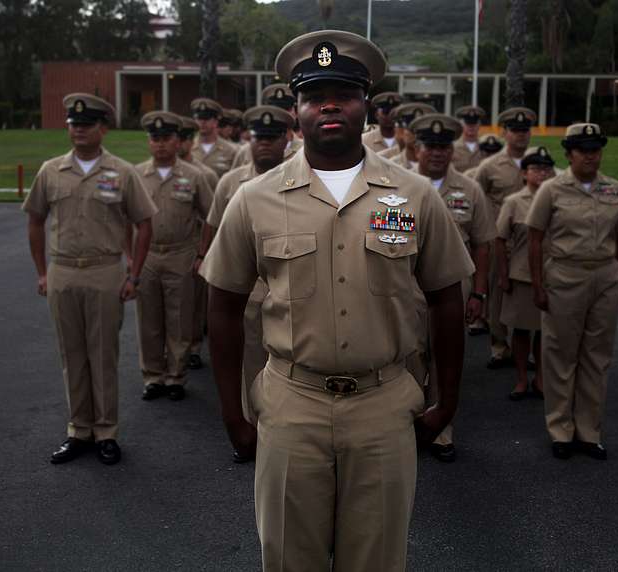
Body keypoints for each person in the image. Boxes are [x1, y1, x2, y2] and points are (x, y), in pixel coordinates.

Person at [200, 30, 471, 571]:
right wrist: (232, 411)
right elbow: (222, 305)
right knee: (288, 558)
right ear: (295, 110)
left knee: (376, 559)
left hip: (384, 404)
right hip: (291, 403)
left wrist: (447, 400)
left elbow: (446, 299)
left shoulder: (413, 194)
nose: (329, 105)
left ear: (364, 107)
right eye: (313, 95)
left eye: (343, 94)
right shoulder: (254, 199)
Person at [22, 93, 157, 465]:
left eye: (86, 125)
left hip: (104, 270)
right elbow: (34, 219)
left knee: (102, 356)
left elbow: (144, 223)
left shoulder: (122, 172)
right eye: (73, 125)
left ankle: (106, 432)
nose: (78, 130)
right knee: (72, 355)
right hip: (63, 270)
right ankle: (78, 430)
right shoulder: (51, 171)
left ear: (103, 128)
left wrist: (134, 273)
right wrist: (42, 272)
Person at [526, 123, 618, 461]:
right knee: (560, 356)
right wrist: (538, 286)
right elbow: (535, 239)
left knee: (597, 358)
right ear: (569, 153)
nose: (590, 155)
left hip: (605, 277)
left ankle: (589, 432)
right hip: (565, 277)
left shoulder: (615, 190)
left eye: (596, 148)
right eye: (583, 149)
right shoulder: (552, 189)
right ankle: (561, 430)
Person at [203, 105, 294, 463]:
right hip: (249, 287)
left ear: (287, 139)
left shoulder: (300, 180)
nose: (265, 145)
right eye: (259, 138)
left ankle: (290, 428)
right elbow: (212, 226)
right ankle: (252, 429)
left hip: (288, 284)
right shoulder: (232, 183)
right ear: (249, 140)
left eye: (273, 138)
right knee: (251, 360)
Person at [408, 113, 494, 463]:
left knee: (445, 357)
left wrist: (479, 293)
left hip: (453, 286)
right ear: (417, 149)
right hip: (407, 286)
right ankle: (407, 427)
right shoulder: (398, 187)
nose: (438, 153)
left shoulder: (470, 189)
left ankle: (441, 429)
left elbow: (483, 243)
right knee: (408, 357)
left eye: (445, 146)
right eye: (431, 146)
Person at [135, 111, 214, 401]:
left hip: (181, 253)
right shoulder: (137, 174)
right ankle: (152, 375)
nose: (161, 144)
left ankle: (175, 377)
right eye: (155, 139)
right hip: (148, 256)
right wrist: (129, 257)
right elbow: (122, 217)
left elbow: (210, 216)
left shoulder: (193, 176)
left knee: (179, 318)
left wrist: (202, 252)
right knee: (148, 319)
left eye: (166, 138)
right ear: (149, 142)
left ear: (177, 141)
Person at [471, 106, 537, 369]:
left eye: (525, 130)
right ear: (504, 133)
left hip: (532, 241)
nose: (521, 136)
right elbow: (476, 196)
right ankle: (500, 347)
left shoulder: (541, 164)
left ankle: (529, 351)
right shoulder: (489, 166)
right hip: (501, 239)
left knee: (531, 295)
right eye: (515, 131)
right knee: (498, 293)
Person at [495, 146, 555, 401]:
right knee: (521, 330)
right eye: (535, 169)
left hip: (553, 275)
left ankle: (540, 378)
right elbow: (499, 240)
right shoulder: (513, 202)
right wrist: (503, 275)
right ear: (524, 173)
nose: (541, 174)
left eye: (545, 169)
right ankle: (521, 378)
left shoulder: (557, 199)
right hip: (521, 275)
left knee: (545, 332)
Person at [178, 114, 219, 370]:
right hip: (181, 241)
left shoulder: (205, 174)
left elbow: (212, 214)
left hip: (201, 239)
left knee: (193, 300)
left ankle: (192, 345)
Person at [230, 83, 303, 169]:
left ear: (296, 111)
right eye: (275, 109)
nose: (281, 113)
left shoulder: (305, 150)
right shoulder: (246, 151)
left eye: (286, 108)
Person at [191, 98, 239, 178]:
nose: (202, 122)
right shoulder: (188, 148)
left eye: (206, 119)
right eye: (199, 119)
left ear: (216, 121)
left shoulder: (231, 150)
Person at [378, 101, 436, 167]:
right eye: (413, 130)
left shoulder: (443, 165)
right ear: (402, 131)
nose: (417, 135)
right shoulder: (389, 166)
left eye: (423, 130)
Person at [451, 105, 487, 173]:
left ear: (479, 124)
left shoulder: (486, 146)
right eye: (468, 124)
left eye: (474, 124)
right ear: (461, 124)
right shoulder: (452, 147)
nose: (471, 127)